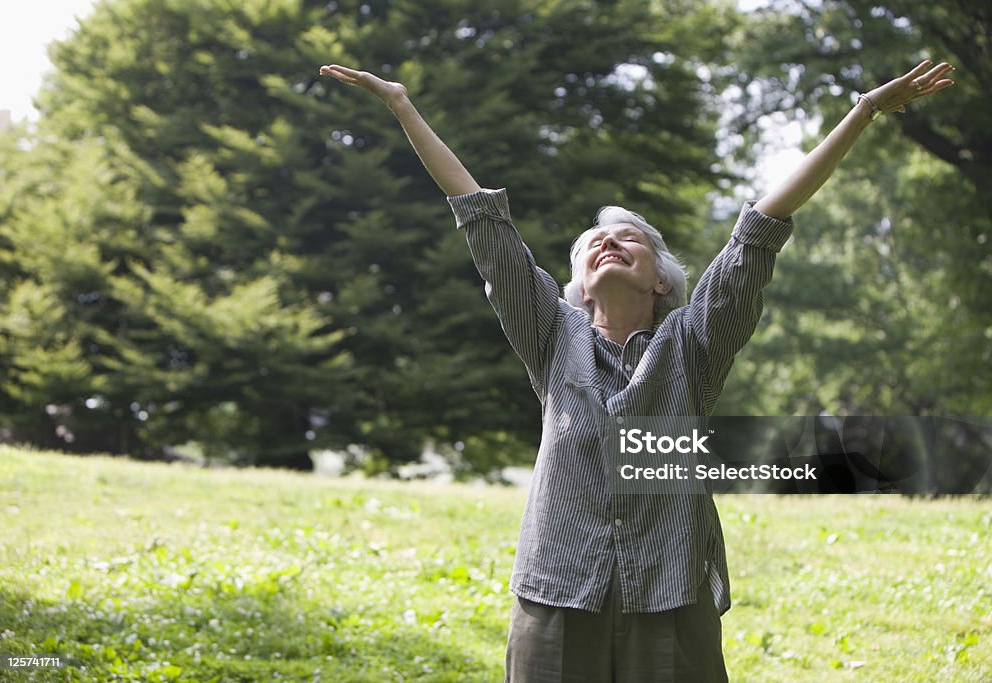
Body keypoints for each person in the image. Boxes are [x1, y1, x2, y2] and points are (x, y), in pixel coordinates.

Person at [319, 58, 954, 682]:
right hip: (558, 596)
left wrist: (864, 111)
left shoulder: (695, 344)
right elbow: (484, 222)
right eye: (593, 242)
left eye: (631, 239)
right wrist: (403, 106)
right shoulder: (550, 335)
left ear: (658, 281)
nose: (608, 241)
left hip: (672, 598)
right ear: (580, 288)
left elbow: (759, 229)